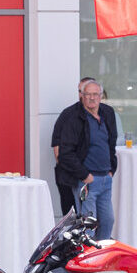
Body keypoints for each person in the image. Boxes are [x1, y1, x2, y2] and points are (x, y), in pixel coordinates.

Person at [52, 78, 120, 239]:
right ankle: (85, 253)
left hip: (105, 179)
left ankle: (100, 252)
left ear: (101, 96)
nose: (92, 98)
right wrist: (85, 176)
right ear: (81, 96)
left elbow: (111, 143)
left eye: (95, 94)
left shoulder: (107, 113)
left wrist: (111, 169)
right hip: (86, 181)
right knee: (88, 224)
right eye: (88, 94)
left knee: (108, 221)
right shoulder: (72, 117)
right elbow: (64, 153)